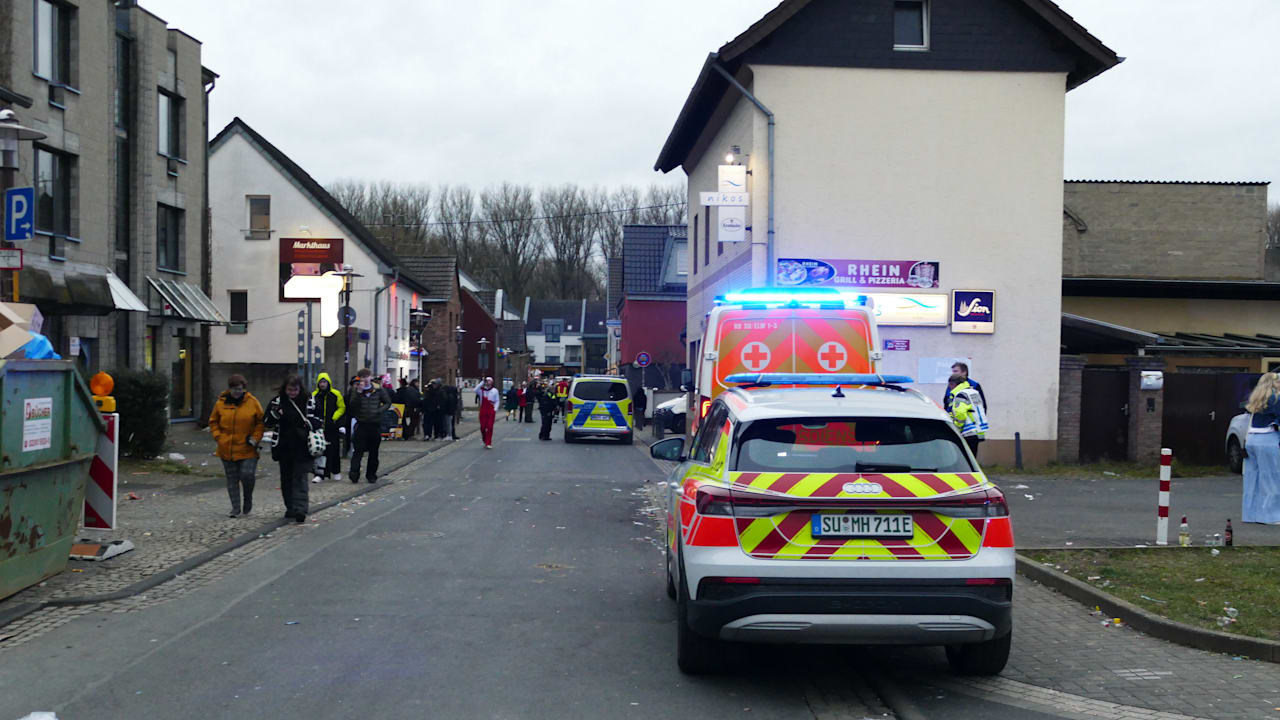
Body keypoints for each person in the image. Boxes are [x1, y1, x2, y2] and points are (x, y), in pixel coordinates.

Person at [264, 375, 323, 523]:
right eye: (290, 390)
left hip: (303, 446)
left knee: (300, 477)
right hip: (284, 447)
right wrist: (275, 413)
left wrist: (307, 424)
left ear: (300, 388)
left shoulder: (309, 400)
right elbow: (266, 422)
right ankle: (290, 507)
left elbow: (319, 419)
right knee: (287, 479)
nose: (292, 393)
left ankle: (300, 509)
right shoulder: (277, 402)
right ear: (285, 388)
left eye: (295, 390)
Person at [208, 375, 265, 518]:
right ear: (229, 389)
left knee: (247, 475)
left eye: (240, 389)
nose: (237, 392)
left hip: (248, 447)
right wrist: (218, 437)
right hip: (226, 448)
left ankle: (248, 499)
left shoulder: (252, 402)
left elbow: (260, 422)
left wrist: (256, 438)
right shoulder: (221, 403)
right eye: (234, 389)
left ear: (244, 389)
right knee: (232, 479)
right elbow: (213, 421)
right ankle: (235, 508)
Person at [1242, 373, 1280, 525]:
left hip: (1252, 440)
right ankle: (1271, 516)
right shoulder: (1276, 399)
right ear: (1273, 383)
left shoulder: (1256, 399)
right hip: (1268, 440)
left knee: (1253, 479)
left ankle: (1250, 515)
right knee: (1271, 478)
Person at [345, 368, 393, 482]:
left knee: (374, 451)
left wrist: (379, 411)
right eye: (363, 377)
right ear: (360, 379)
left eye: (367, 377)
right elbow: (352, 406)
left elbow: (388, 402)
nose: (365, 379)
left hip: (374, 424)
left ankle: (371, 474)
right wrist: (358, 393)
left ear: (370, 377)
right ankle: (354, 473)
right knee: (358, 451)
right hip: (361, 424)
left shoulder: (378, 390)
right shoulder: (356, 390)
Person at [312, 372, 346, 483]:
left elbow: (342, 407)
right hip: (319, 428)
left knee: (335, 450)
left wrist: (334, 417)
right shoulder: (314, 395)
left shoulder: (336, 394)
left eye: (324, 382)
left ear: (328, 383)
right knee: (320, 450)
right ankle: (320, 474)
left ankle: (336, 471)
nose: (322, 384)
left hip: (332, 427)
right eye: (321, 382)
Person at [948, 376, 988, 459]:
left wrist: (956, 428)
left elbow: (960, 414)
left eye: (949, 385)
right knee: (972, 458)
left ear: (953, 384)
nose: (949, 388)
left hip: (967, 431)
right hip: (978, 431)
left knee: (965, 459)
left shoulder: (961, 395)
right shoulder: (973, 392)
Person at [477, 376, 501, 448]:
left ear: (492, 382)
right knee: (483, 427)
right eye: (487, 381)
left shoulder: (494, 390)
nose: (487, 382)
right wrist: (482, 382)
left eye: (489, 381)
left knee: (490, 427)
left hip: (491, 409)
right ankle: (484, 439)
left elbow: (497, 400)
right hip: (483, 410)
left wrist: (495, 409)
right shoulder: (481, 390)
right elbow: (475, 390)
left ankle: (488, 443)